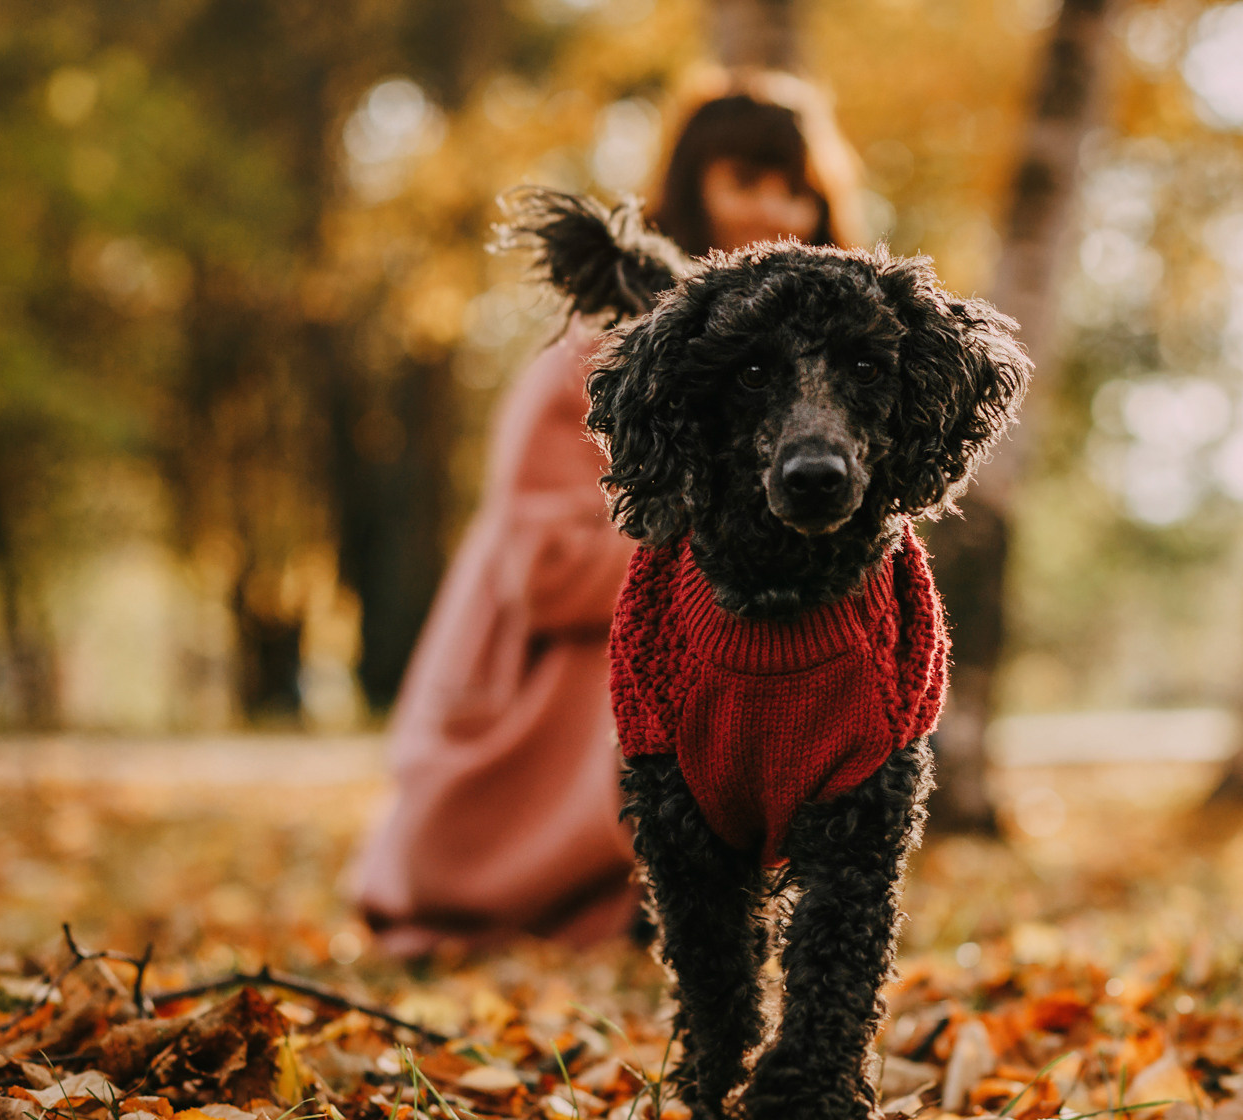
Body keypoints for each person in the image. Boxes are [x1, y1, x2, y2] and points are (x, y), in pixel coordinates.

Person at [354, 72, 869, 954]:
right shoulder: (596, 354)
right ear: (691, 190)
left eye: (799, 189)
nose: (778, 208)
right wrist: (734, 545)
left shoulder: (831, 374)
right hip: (558, 686)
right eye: (748, 181)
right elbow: (545, 571)